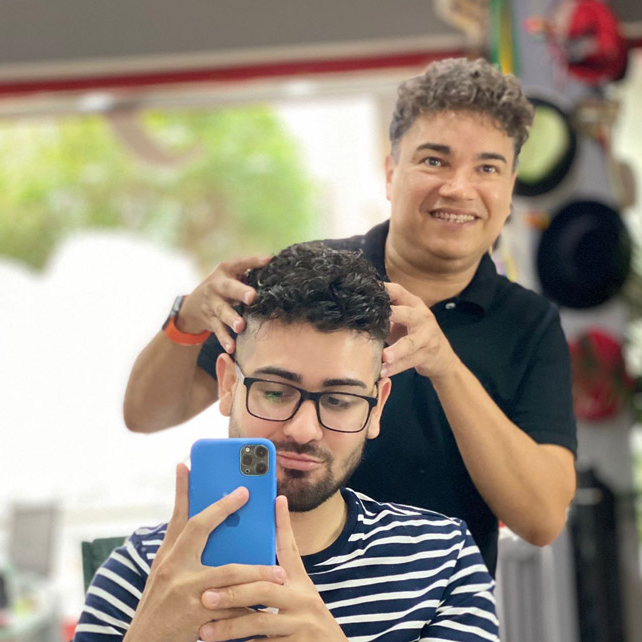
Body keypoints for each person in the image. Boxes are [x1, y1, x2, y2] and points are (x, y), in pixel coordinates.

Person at [123, 57, 577, 573]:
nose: (458, 187)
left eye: (487, 168)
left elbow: (541, 520)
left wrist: (444, 365)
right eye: (434, 161)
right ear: (390, 172)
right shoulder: (311, 276)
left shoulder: (529, 324)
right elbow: (144, 414)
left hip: (430, 607)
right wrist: (186, 320)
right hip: (263, 583)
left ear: (510, 187)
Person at [76, 245, 498, 642]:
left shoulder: (443, 561)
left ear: (376, 408)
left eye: (339, 400)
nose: (303, 430)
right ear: (227, 384)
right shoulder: (139, 572)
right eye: (276, 392)